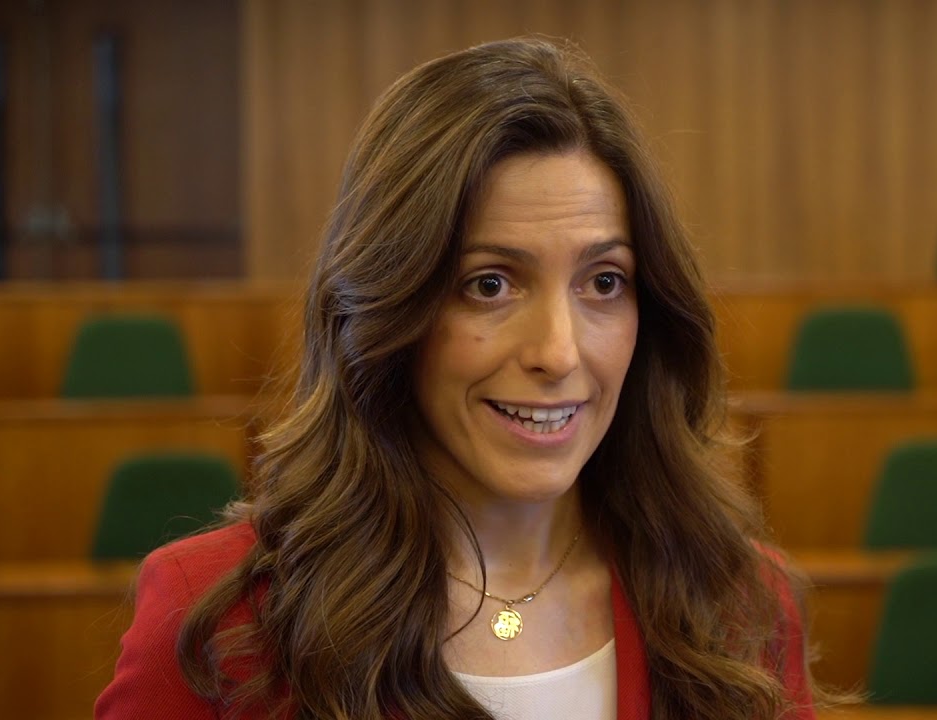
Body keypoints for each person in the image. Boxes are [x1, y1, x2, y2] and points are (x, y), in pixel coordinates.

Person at [96, 37, 821, 720]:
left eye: (604, 281)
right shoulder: (219, 621)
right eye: (489, 284)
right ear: (389, 308)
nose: (559, 353)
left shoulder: (741, 605)